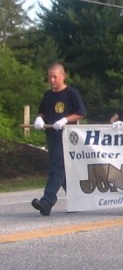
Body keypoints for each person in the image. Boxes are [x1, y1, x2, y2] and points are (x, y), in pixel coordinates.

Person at [31, 62, 87, 216]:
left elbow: (81, 112)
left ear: (63, 76)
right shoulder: (48, 95)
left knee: (57, 167)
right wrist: (39, 119)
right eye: (49, 77)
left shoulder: (71, 93)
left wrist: (65, 120)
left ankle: (47, 201)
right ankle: (78, 199)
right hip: (52, 136)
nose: (52, 80)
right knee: (62, 169)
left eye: (55, 77)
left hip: (67, 136)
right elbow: (42, 111)